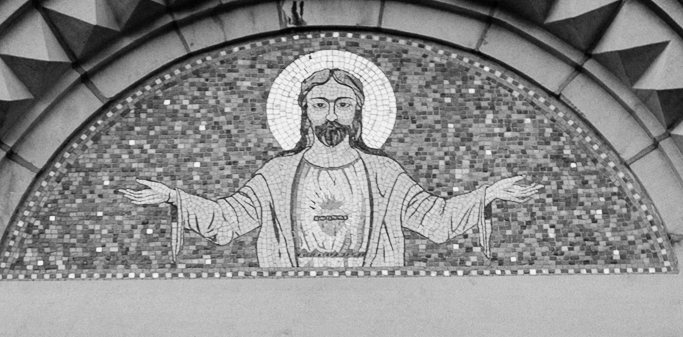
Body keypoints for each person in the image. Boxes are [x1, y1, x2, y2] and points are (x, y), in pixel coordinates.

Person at [120, 62, 538, 269]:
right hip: (292, 289)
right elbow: (229, 218)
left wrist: (488, 194)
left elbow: (436, 219)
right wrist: (174, 198)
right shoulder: (278, 175)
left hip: (371, 287)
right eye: (320, 105)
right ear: (305, 113)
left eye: (342, 105)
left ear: (358, 113)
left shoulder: (384, 174)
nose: (331, 115)